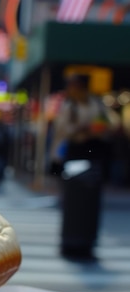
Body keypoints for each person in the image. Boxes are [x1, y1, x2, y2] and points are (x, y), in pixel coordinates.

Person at [51, 74, 113, 261]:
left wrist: (94, 130)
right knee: (73, 200)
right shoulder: (70, 107)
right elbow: (62, 131)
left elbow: (106, 126)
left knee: (90, 202)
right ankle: (71, 242)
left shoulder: (96, 104)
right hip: (75, 155)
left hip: (93, 155)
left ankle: (86, 242)